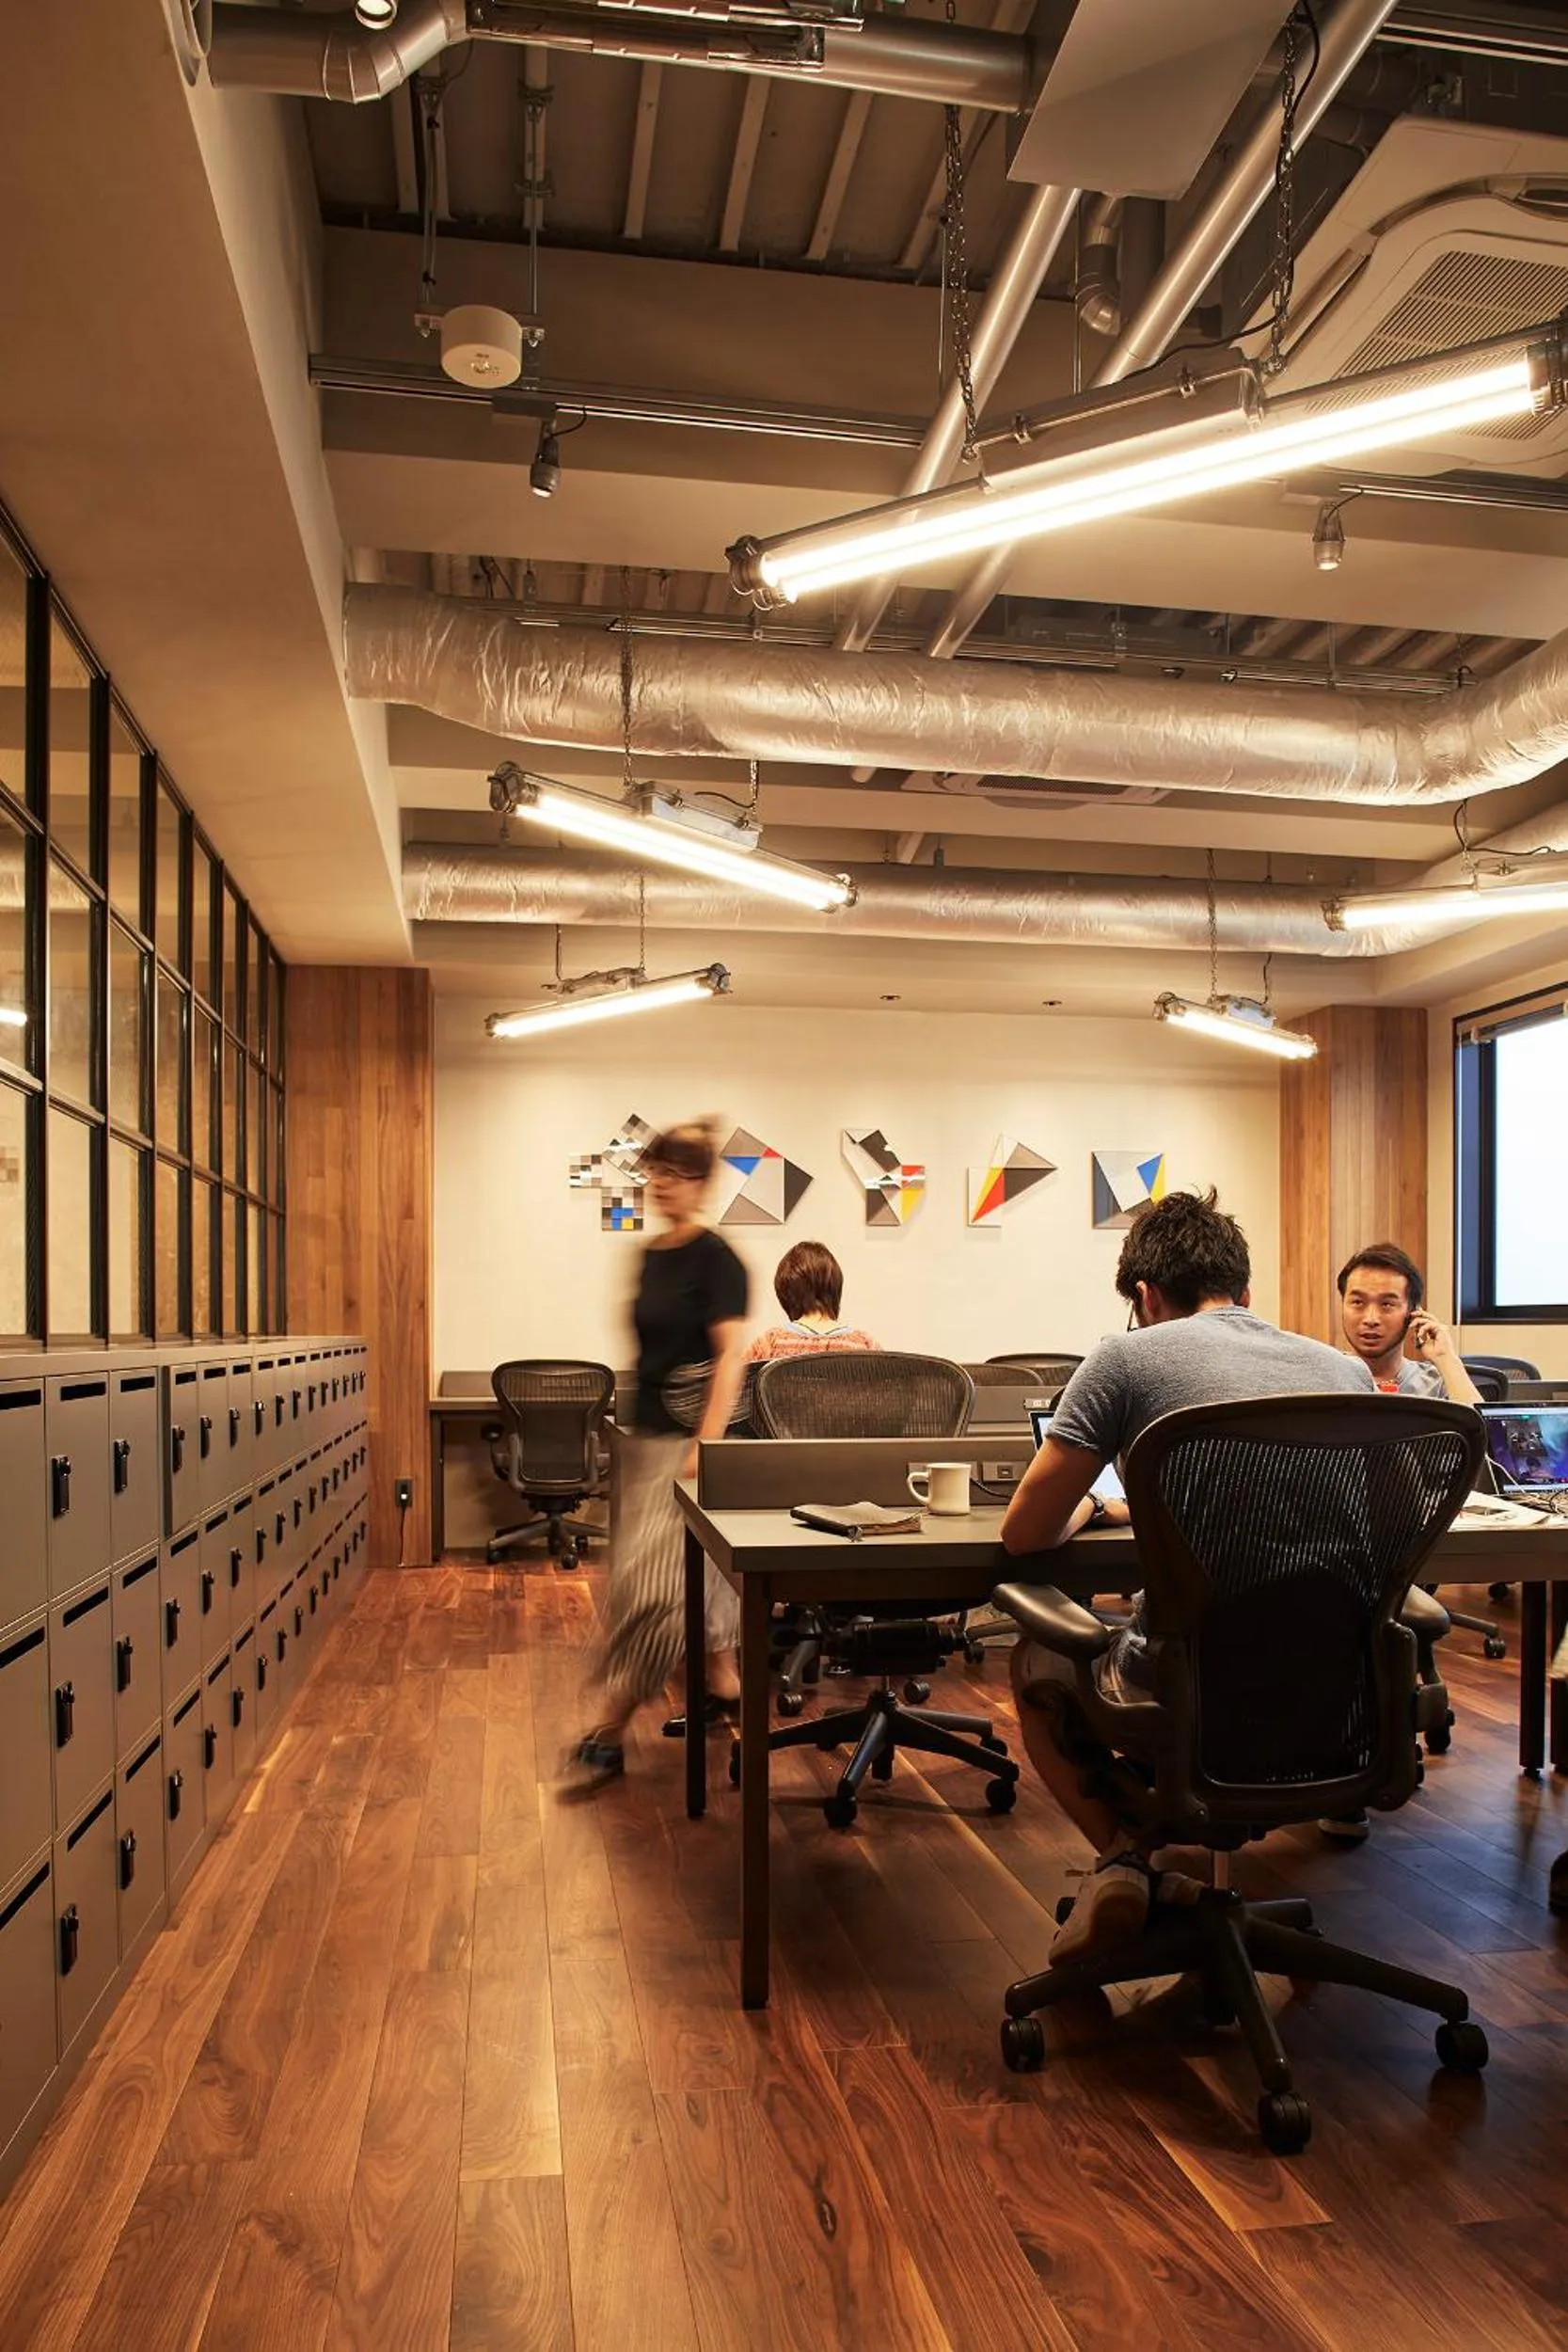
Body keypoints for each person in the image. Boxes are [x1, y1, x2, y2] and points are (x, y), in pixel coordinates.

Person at [1000, 1187, 1375, 1965]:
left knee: (1037, 1660)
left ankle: (1127, 1863)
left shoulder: (1123, 1357)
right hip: (1341, 1692)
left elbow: (1025, 1533)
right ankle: (1153, 1865)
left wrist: (1089, 1512)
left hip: (1189, 1685)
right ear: (1245, 1293)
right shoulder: (1345, 1372)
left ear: (1144, 1296)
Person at [560, 1121, 751, 1794]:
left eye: (672, 1174)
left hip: (686, 1448)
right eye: (655, 1173)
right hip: (642, 1442)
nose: (659, 1185)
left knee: (652, 1593)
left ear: (700, 1184)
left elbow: (732, 1355)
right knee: (665, 1587)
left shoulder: (716, 1260)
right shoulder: (649, 1256)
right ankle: (727, 1690)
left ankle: (609, 1730)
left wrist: (706, 1442)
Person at [1337, 1243, 1482, 1406]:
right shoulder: (1322, 1377)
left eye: (1387, 1305)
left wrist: (1446, 1358)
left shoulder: (1436, 1385)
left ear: (1413, 1312)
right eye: (1357, 1302)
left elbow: (1484, 1430)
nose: (1371, 1319)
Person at [746, 1240, 879, 1361]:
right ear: (835, 1289)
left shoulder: (770, 1343)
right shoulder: (865, 1345)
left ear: (786, 1294)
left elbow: (734, 1383)